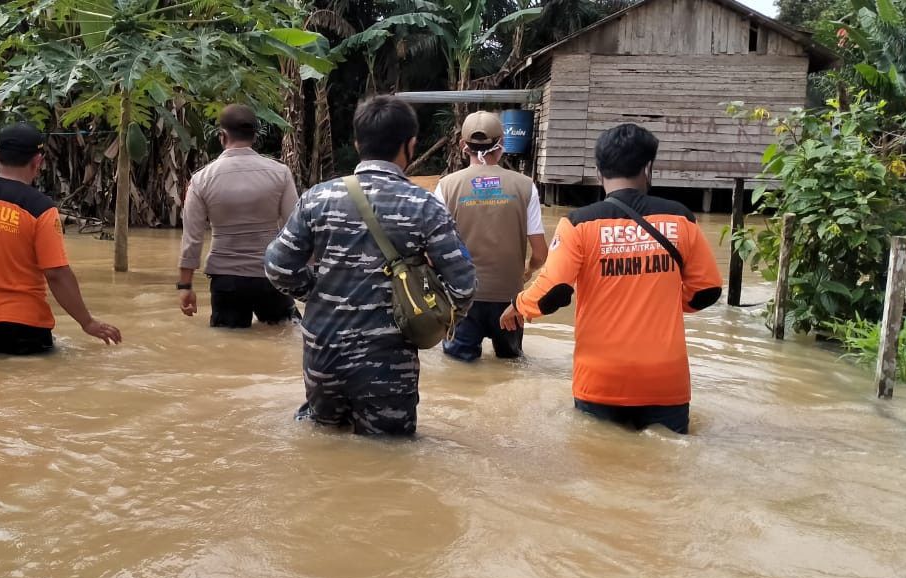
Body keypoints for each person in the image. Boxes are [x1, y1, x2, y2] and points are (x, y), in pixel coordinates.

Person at [265, 96, 476, 436]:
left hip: (323, 357)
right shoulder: (425, 207)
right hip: (389, 365)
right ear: (410, 145)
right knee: (389, 464)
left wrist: (315, 291)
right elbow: (463, 287)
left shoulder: (316, 198)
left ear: (357, 143)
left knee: (324, 451)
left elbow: (277, 266)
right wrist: (429, 321)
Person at [499, 123, 722, 434]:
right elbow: (707, 291)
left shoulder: (578, 224)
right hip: (665, 379)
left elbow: (554, 292)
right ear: (648, 167)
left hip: (601, 378)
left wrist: (518, 305)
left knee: (598, 469)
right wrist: (662, 302)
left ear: (598, 170)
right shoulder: (681, 219)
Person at [0, 122, 121, 353]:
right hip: (26, 329)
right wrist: (87, 322)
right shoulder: (41, 208)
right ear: (37, 162)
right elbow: (56, 274)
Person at [433, 111, 547, 361]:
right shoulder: (526, 186)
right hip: (509, 298)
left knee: (459, 373)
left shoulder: (446, 186)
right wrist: (527, 271)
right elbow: (540, 254)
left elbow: (433, 249)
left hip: (462, 298)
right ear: (502, 144)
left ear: (464, 146)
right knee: (510, 367)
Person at [177, 105, 300, 328]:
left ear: (222, 136)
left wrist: (185, 286)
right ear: (255, 135)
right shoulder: (280, 173)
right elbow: (295, 228)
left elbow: (192, 238)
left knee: (228, 349)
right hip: (271, 276)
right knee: (285, 336)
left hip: (226, 281)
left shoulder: (201, 179)